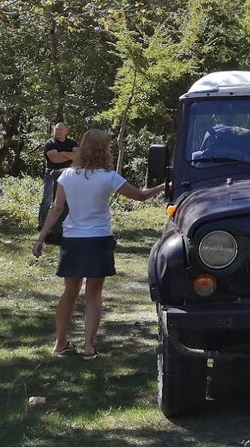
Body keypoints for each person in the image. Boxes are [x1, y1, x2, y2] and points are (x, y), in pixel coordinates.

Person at [32, 129, 163, 359]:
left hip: (72, 240)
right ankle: (88, 347)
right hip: (98, 239)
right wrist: (165, 186)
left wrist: (41, 237)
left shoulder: (66, 176)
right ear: (104, 150)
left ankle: (60, 342)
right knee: (93, 294)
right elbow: (141, 196)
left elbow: (56, 209)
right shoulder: (109, 176)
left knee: (69, 292)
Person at [39, 122, 78, 234]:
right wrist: (69, 155)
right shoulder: (50, 143)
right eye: (56, 129)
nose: (58, 131)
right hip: (52, 174)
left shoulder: (72, 143)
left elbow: (78, 156)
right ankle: (42, 226)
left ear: (66, 131)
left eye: (60, 129)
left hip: (69, 175)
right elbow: (54, 159)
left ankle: (63, 226)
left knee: (67, 201)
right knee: (47, 200)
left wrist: (62, 153)